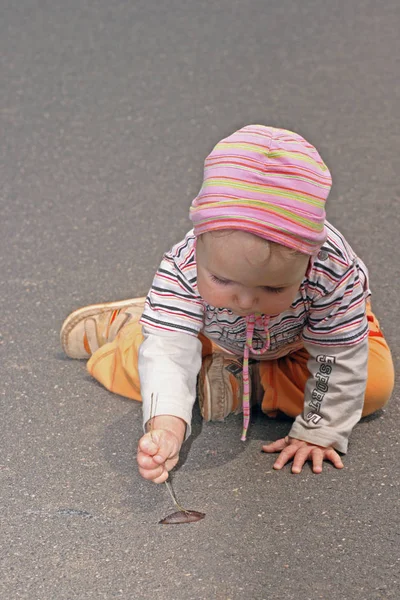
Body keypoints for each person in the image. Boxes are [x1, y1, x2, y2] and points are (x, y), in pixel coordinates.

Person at [61, 124, 394, 483]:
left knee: (372, 384)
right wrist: (168, 428)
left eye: (272, 287)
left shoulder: (334, 273)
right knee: (147, 360)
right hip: (215, 332)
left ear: (308, 259)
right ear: (200, 243)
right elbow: (169, 356)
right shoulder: (182, 269)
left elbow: (338, 356)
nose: (247, 301)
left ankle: (244, 382)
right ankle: (136, 325)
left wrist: (319, 429)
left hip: (300, 341)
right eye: (221, 280)